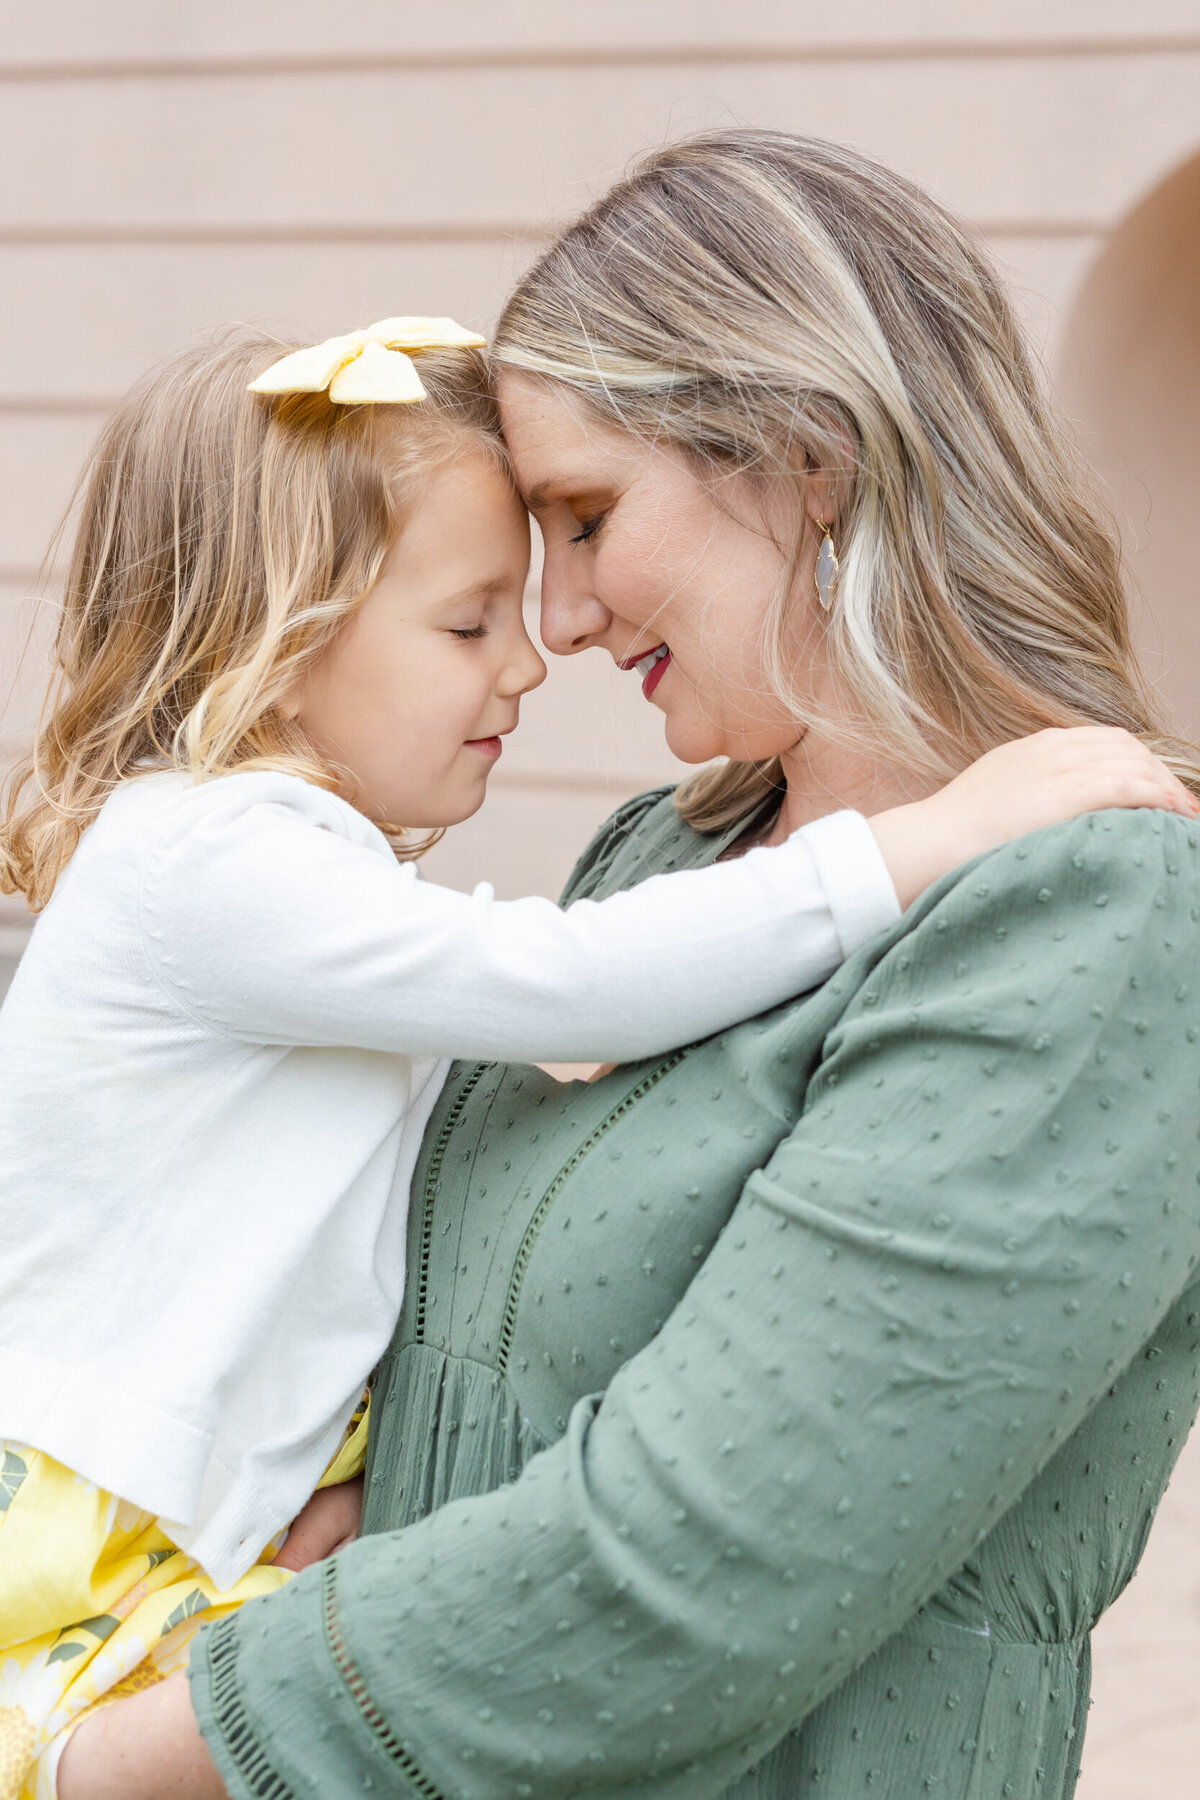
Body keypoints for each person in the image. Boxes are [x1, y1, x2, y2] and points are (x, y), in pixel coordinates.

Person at [56, 133, 1200, 1800]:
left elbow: (690, 1574)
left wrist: (110, 1760)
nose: (564, 618)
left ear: (807, 456)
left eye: (587, 520)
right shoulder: (664, 861)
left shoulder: (1095, 915)